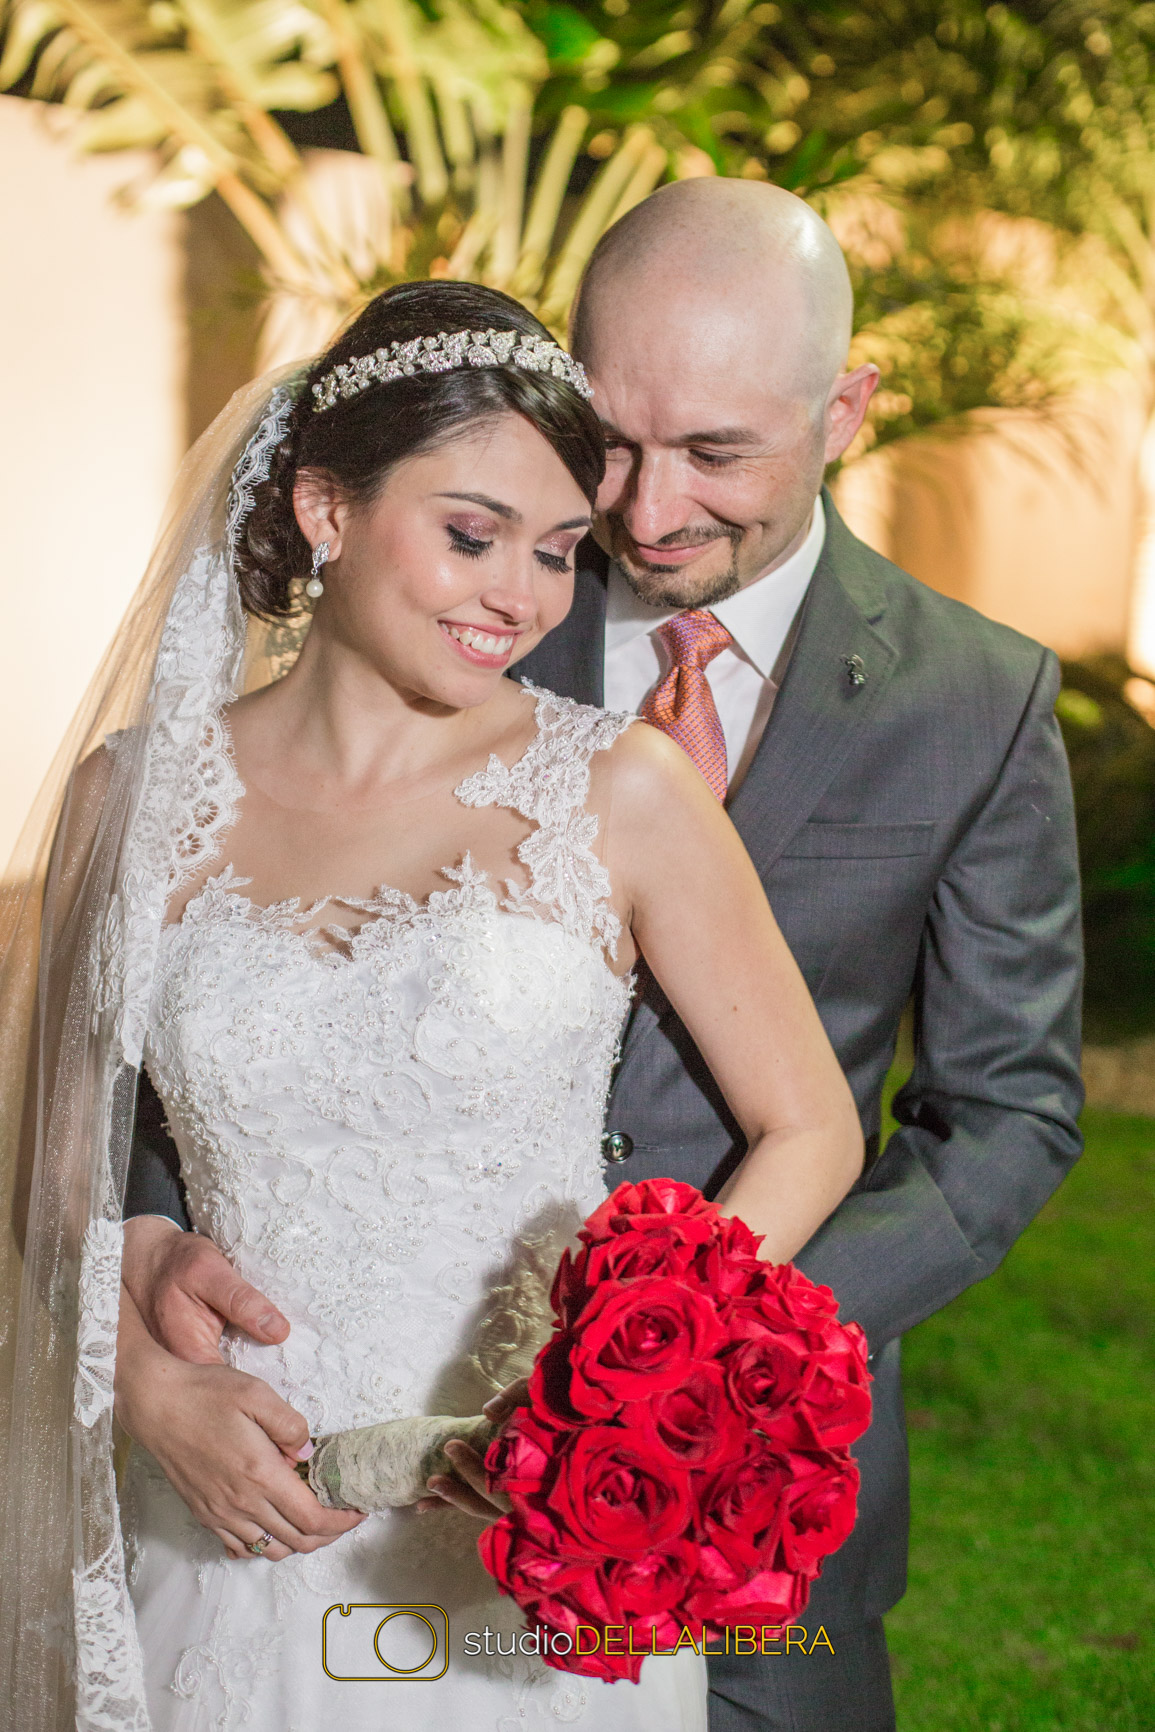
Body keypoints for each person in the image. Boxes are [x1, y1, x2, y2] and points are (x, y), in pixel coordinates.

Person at [122, 181, 1085, 1732]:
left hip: (726, 1473)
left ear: (844, 410)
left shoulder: (973, 706)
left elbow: (1006, 1117)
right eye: (610, 442)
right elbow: (148, 1089)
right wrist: (141, 1292)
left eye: (714, 454)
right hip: (279, 1479)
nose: (639, 513)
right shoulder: (465, 599)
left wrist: (690, 1374)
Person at [0, 278, 865, 1732]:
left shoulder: (622, 791)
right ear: (327, 510)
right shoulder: (130, 801)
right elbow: (45, 1175)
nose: (518, 598)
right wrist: (145, 1382)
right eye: (470, 535)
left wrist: (616, 1378)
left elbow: (812, 1127)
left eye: (553, 551)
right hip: (225, 1514)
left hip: (520, 1522)